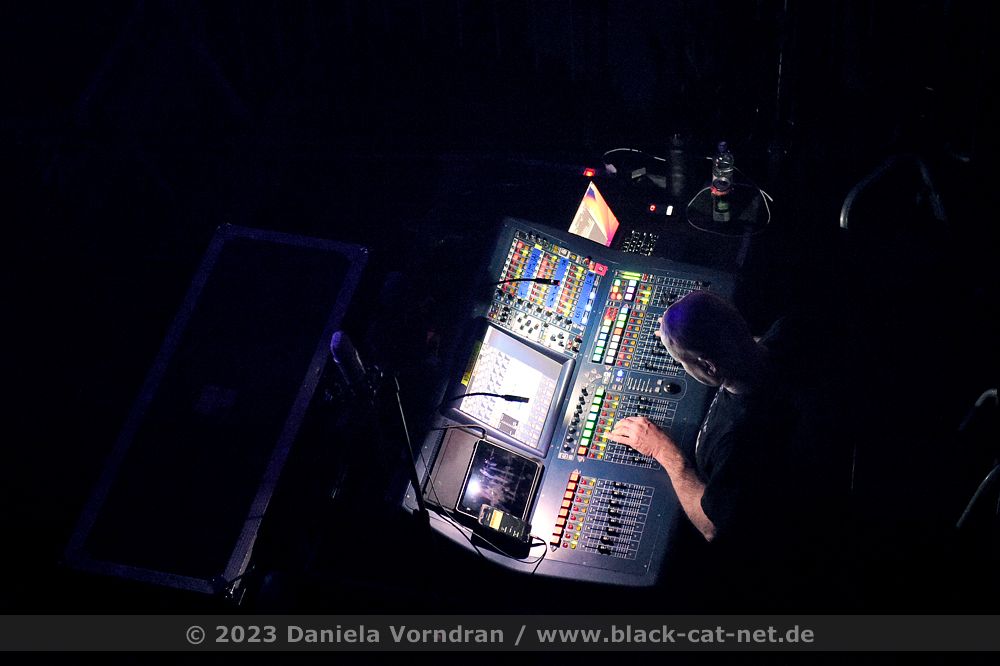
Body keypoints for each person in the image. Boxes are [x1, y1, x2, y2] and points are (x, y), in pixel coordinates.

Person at [608, 290, 805, 605]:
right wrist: (686, 338)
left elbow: (714, 527)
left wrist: (665, 453)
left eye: (681, 362)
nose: (681, 365)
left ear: (710, 368)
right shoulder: (791, 329)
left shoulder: (737, 441)